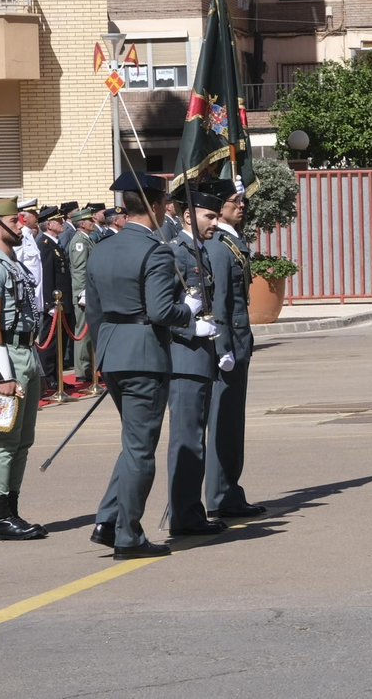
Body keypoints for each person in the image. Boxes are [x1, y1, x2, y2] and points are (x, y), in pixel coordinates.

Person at [87, 171, 213, 558]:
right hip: (143, 355)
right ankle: (128, 535)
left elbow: (93, 314)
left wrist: (101, 355)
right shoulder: (155, 250)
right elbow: (161, 311)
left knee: (132, 443)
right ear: (157, 205)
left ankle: (110, 519)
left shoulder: (101, 248)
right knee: (142, 449)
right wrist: (188, 314)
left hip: (112, 351)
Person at [0, 197, 47, 540]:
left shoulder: (11, 261)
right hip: (6, 358)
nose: (23, 225)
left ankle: (12, 511)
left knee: (22, 440)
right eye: (16, 221)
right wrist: (4, 376)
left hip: (24, 353)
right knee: (3, 440)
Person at [163, 188, 228, 537]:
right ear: (189, 216)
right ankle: (184, 515)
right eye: (209, 216)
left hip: (201, 356)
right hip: (184, 357)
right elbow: (163, 308)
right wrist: (191, 325)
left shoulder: (198, 250)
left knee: (196, 439)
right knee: (187, 438)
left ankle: (190, 509)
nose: (215, 224)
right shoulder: (175, 252)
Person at [204, 182, 264, 519]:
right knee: (223, 419)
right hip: (229, 343)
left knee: (231, 420)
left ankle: (228, 490)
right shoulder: (219, 245)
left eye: (241, 200)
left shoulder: (231, 240)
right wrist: (223, 346)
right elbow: (222, 301)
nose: (241, 205)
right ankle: (221, 494)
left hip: (239, 340)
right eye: (234, 201)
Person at [34, 206, 70, 384]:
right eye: (58, 221)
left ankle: (57, 375)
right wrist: (49, 303)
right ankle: (48, 376)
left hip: (62, 301)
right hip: (54, 303)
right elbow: (47, 276)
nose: (62, 223)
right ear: (49, 224)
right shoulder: (45, 245)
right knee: (51, 341)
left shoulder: (55, 243)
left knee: (60, 341)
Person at [68, 207, 98, 390]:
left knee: (88, 333)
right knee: (83, 333)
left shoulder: (86, 239)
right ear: (82, 223)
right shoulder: (79, 241)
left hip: (89, 291)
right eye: (89, 220)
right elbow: (79, 270)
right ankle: (81, 371)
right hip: (83, 293)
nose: (92, 222)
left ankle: (88, 369)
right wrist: (82, 292)